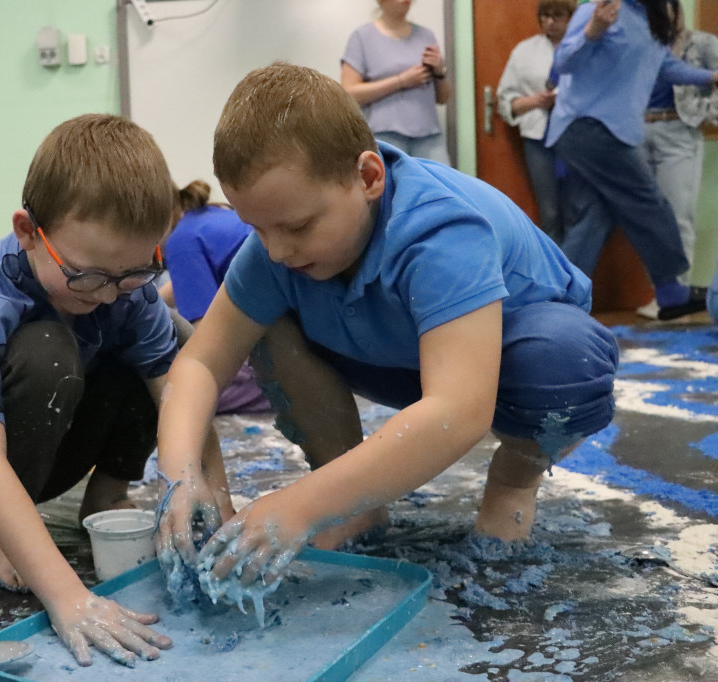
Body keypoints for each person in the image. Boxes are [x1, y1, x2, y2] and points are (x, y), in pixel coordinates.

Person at [154, 62, 619, 590]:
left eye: (299, 226)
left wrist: (301, 506)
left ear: (369, 178)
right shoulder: (275, 250)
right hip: (403, 356)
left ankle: (515, 479)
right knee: (268, 324)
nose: (278, 250)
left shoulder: (439, 230)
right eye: (257, 228)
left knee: (562, 365)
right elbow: (198, 362)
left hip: (507, 357)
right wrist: (181, 476)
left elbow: (461, 409)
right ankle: (355, 506)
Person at [0, 114, 233, 668]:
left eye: (134, 272)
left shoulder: (120, 288)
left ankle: (106, 492)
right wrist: (69, 599)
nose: (110, 293)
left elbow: (178, 393)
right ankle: (4, 527)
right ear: (26, 231)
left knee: (172, 347)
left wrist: (212, 496)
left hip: (65, 441)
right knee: (48, 353)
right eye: (88, 276)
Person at [546, 0, 718, 320]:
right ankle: (671, 292)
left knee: (596, 218)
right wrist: (592, 31)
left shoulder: (648, 20)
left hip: (607, 129)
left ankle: (559, 301)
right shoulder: (600, 9)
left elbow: (664, 66)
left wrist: (710, 77)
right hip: (589, 126)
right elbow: (563, 62)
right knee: (649, 203)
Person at [160, 179, 269, 414]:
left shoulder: (180, 242)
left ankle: (277, 389)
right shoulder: (202, 217)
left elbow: (207, 339)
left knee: (183, 395)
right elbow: (177, 286)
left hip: (276, 337)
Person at [637, 0, 718, 319]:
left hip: (678, 131)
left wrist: (706, 115)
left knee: (677, 216)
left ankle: (678, 297)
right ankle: (662, 294)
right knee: (647, 219)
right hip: (636, 131)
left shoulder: (702, 43)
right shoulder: (638, 42)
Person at [496, 0, 578, 245]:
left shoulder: (584, 47)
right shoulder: (524, 51)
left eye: (557, 16)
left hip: (578, 140)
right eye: (544, 16)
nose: (549, 22)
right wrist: (537, 101)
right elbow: (506, 102)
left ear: (571, 18)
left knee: (577, 213)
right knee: (550, 213)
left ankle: (578, 277)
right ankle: (555, 278)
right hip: (538, 141)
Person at [341, 0, 452, 165]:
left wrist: (440, 72)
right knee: (388, 189)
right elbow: (349, 93)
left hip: (429, 138)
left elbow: (443, 98)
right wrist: (401, 81)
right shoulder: (362, 37)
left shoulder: (426, 36)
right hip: (384, 137)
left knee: (440, 188)